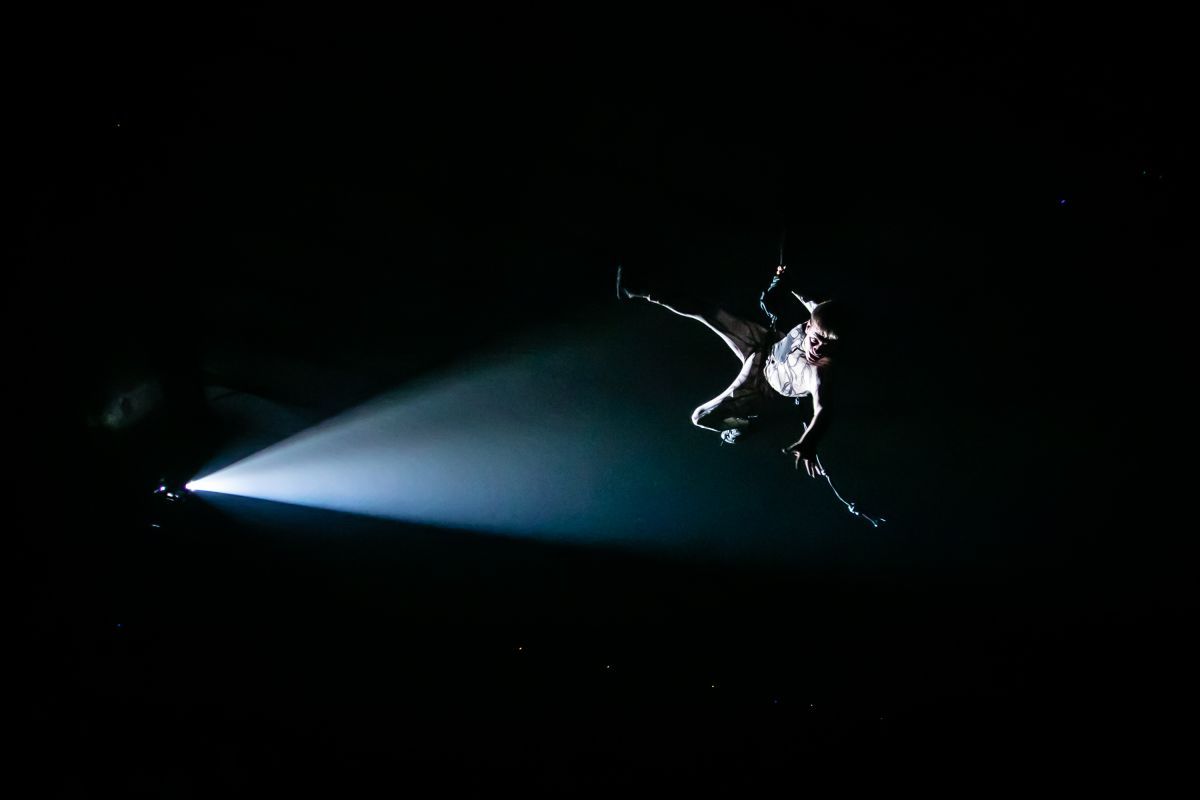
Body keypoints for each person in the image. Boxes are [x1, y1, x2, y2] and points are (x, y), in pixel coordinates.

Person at [618, 265, 844, 478]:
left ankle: (746, 426)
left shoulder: (819, 371)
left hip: (762, 383)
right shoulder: (820, 314)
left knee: (702, 417)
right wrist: (784, 278)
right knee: (708, 312)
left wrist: (810, 440)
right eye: (816, 340)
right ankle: (640, 290)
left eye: (829, 347)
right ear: (808, 326)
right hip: (766, 344)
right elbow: (804, 295)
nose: (819, 349)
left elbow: (823, 409)